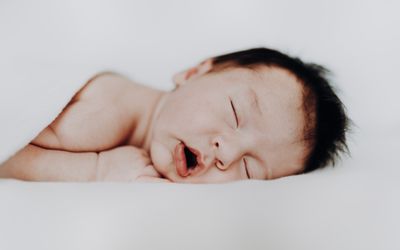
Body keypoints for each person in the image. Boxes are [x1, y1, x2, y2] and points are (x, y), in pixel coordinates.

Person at [0, 47, 349, 183]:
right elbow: (8, 151)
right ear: (192, 73)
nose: (226, 153)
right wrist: (95, 168)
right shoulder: (103, 114)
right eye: (234, 113)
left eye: (250, 168)